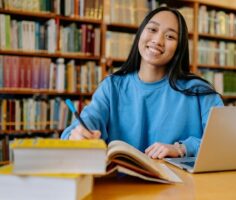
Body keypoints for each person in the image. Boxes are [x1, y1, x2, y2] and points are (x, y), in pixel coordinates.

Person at [61, 7, 223, 159]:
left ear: (179, 47)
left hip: (183, 187)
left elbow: (224, 142)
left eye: (170, 36)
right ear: (140, 34)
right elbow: (85, 123)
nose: (158, 41)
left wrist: (182, 148)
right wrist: (76, 135)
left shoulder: (199, 91)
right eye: (152, 30)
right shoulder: (111, 87)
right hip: (123, 186)